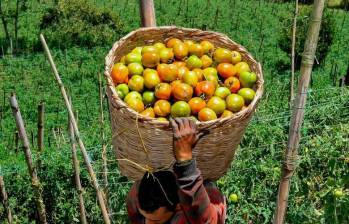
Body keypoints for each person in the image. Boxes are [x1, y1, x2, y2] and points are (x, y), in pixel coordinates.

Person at [126, 117, 226, 223]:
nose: (148, 223)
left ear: (178, 206)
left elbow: (205, 219)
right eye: (144, 217)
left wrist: (185, 159)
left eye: (156, 221)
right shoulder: (136, 198)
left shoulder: (194, 214)